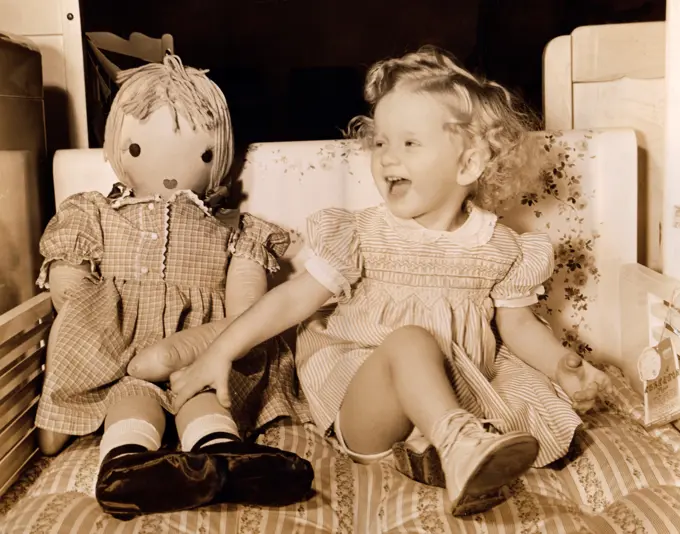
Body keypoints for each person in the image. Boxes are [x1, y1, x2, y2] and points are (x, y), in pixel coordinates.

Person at [167, 47, 612, 516]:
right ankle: (456, 445)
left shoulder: (500, 246)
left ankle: (442, 450)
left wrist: (562, 363)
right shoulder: (364, 234)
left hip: (457, 393)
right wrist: (221, 350)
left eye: (409, 144)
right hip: (368, 404)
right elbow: (292, 300)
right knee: (410, 342)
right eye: (381, 142)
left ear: (468, 164)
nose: (386, 158)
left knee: (517, 404)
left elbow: (519, 328)